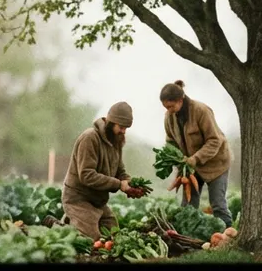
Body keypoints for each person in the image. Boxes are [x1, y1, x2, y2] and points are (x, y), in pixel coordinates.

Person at [62, 102, 143, 239]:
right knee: (90, 239)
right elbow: (87, 175)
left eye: (126, 128)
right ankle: (57, 226)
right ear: (111, 122)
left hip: (98, 201)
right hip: (78, 199)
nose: (124, 131)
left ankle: (72, 223)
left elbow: (120, 171)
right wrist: (118, 184)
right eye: (121, 127)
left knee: (114, 235)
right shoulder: (90, 138)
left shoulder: (116, 141)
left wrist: (129, 184)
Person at [159, 80, 233, 228]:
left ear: (180, 100)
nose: (168, 110)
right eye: (166, 107)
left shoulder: (201, 111)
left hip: (216, 164)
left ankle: (228, 237)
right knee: (187, 206)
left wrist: (196, 158)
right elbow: (171, 141)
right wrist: (177, 159)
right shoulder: (169, 116)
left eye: (171, 106)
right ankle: (189, 238)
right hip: (191, 168)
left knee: (218, 205)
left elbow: (214, 140)